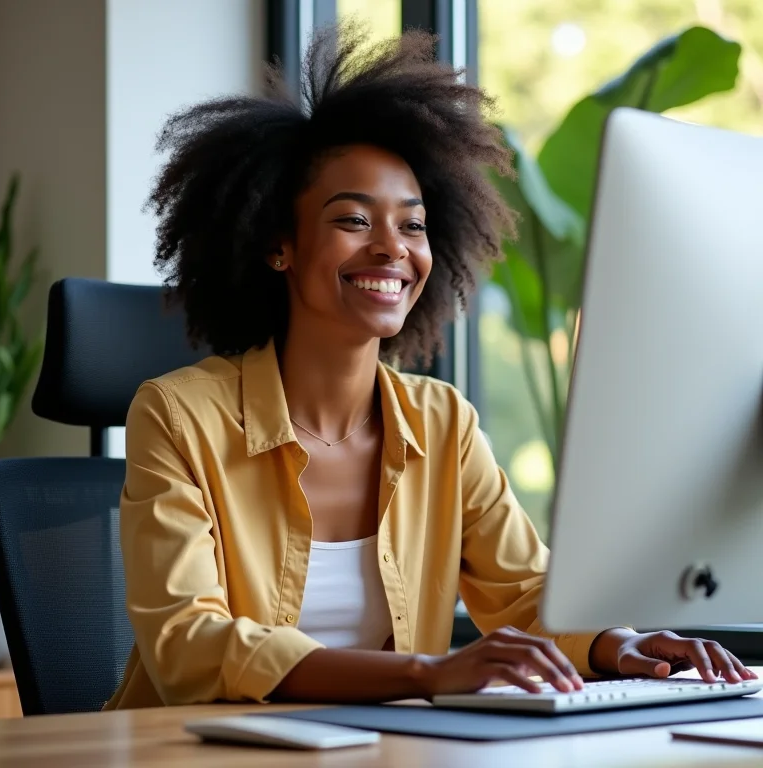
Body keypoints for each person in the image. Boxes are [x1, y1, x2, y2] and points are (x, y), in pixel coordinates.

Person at [105, 25, 756, 710]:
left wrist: (618, 644)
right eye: (354, 220)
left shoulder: (442, 422)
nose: (392, 248)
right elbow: (190, 646)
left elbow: (526, 594)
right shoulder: (179, 417)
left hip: (376, 750)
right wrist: (424, 674)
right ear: (278, 245)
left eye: (412, 225)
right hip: (194, 751)